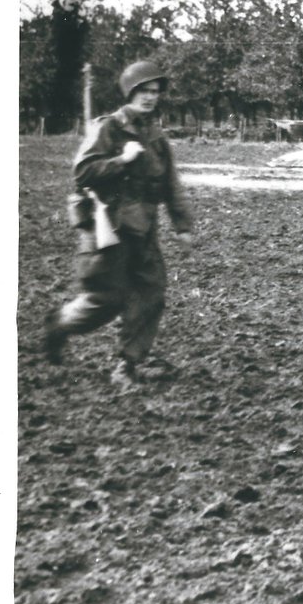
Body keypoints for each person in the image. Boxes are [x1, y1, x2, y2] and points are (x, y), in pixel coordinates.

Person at [42, 60, 194, 389]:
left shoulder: (156, 136)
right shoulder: (108, 128)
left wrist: (182, 225)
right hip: (108, 229)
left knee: (150, 294)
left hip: (144, 229)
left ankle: (128, 365)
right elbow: (82, 172)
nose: (150, 97)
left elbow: (171, 183)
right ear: (130, 93)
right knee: (107, 298)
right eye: (143, 91)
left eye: (155, 92)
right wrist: (122, 160)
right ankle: (60, 324)